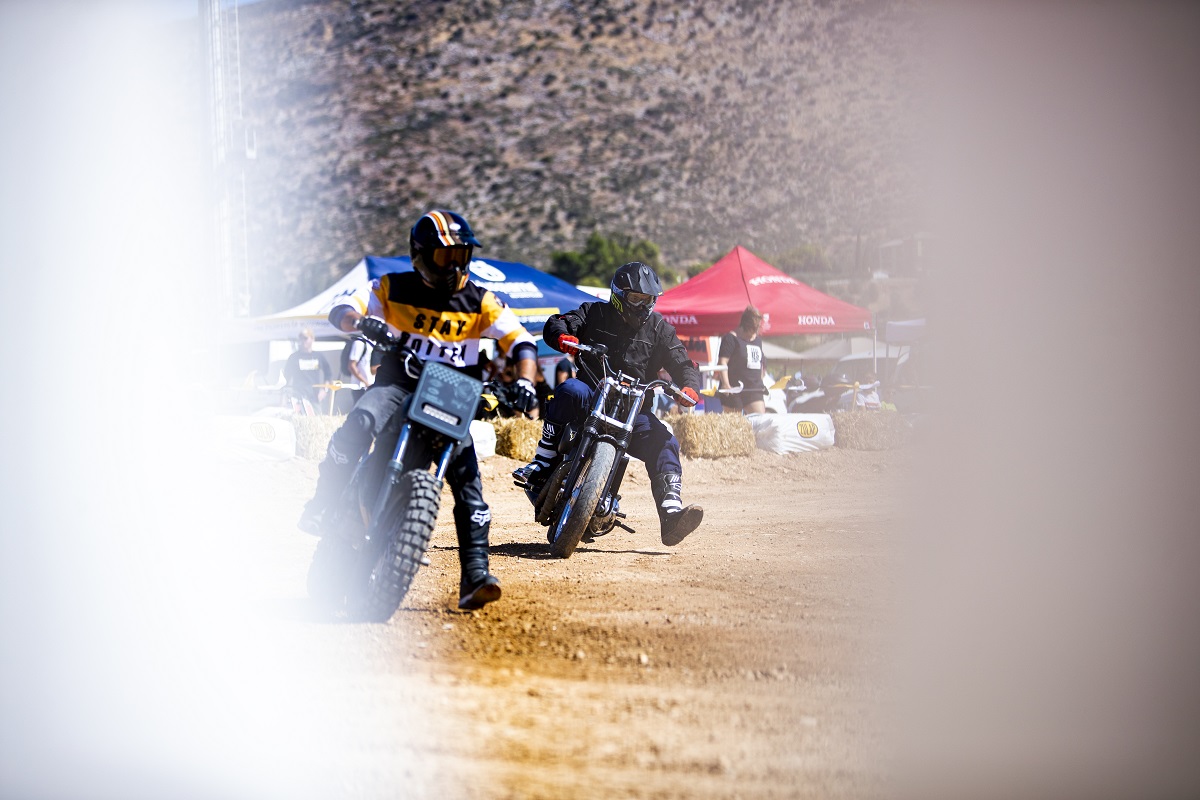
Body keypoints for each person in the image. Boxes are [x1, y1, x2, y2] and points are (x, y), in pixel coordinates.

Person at [298, 210, 539, 610]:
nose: (456, 265)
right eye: (446, 256)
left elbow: (521, 341)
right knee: (359, 422)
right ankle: (324, 503)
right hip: (398, 383)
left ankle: (475, 574)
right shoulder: (391, 286)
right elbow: (343, 308)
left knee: (469, 482)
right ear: (421, 257)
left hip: (452, 392)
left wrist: (526, 381)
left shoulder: (481, 300)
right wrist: (362, 323)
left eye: (461, 255)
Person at [513, 261, 704, 546]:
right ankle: (542, 461)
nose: (643, 306)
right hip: (590, 397)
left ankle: (671, 514)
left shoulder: (660, 329)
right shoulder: (594, 312)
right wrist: (563, 336)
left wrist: (688, 387)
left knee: (665, 441)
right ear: (618, 295)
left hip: (633, 413)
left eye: (649, 299)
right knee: (569, 389)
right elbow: (558, 322)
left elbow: (683, 363)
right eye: (636, 298)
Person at [716, 306, 766, 414]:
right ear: (745, 326)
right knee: (734, 422)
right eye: (752, 329)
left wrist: (761, 380)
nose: (754, 333)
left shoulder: (758, 341)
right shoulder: (731, 338)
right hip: (734, 389)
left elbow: (761, 362)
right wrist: (725, 384)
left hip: (753, 389)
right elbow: (722, 362)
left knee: (760, 418)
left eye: (757, 328)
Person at [284, 328, 332, 412]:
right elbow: (286, 378)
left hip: (314, 397)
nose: (303, 341)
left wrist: (324, 390)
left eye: (305, 338)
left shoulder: (318, 356)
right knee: (298, 417)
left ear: (312, 339)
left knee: (316, 417)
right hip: (298, 396)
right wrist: (284, 398)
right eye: (301, 338)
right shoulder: (293, 357)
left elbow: (328, 374)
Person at [341, 334, 375, 404]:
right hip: (361, 388)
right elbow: (351, 366)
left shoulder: (374, 342)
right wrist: (366, 383)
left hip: (370, 387)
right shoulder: (360, 342)